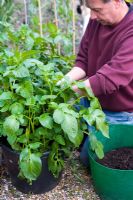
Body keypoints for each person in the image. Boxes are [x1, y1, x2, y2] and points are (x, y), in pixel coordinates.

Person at [61, 0, 133, 167]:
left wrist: (70, 93)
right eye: (90, 10)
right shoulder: (97, 21)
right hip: (92, 99)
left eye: (97, 10)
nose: (92, 16)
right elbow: (83, 61)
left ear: (116, 2)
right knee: (63, 129)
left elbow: (111, 77)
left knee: (87, 161)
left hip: (120, 112)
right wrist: (62, 83)